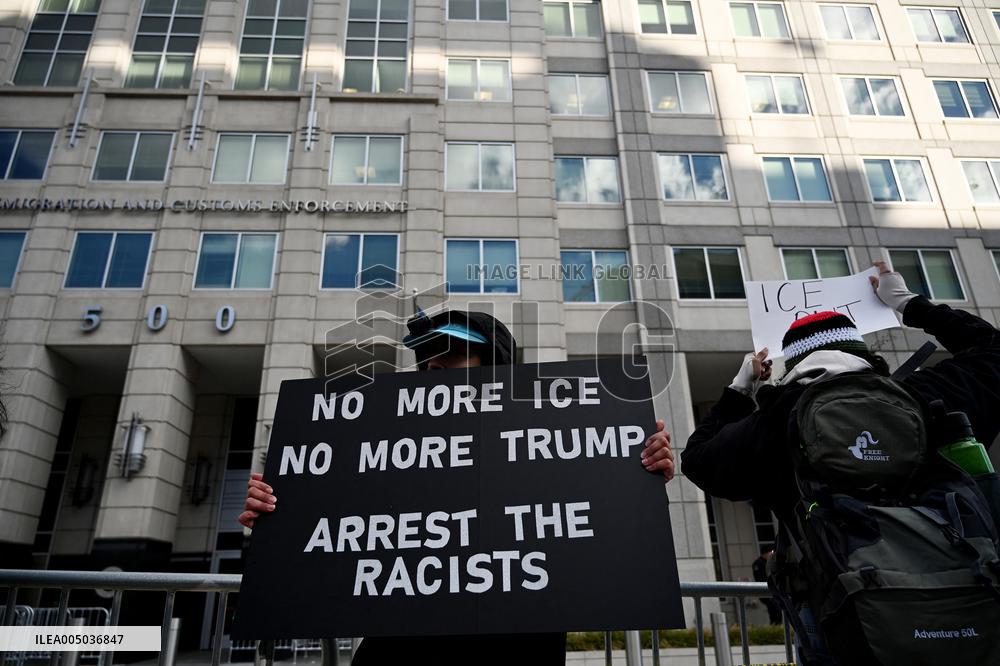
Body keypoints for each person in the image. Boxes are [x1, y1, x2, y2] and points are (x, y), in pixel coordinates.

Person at [239, 308, 677, 665]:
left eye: (452, 355)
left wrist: (635, 466)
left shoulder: (553, 445)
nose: (433, 366)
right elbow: (326, 538)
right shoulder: (378, 447)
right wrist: (280, 515)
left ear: (495, 368)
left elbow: (605, 524)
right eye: (427, 360)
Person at [681, 260, 1000, 662]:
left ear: (794, 366)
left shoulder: (777, 421)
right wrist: (906, 303)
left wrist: (740, 387)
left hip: (843, 621)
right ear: (863, 353)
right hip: (968, 606)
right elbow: (992, 350)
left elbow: (697, 459)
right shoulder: (927, 396)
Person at [751, 546, 781, 624]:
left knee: (777, 611)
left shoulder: (768, 562)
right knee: (775, 611)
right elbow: (761, 578)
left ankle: (776, 625)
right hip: (766, 590)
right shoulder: (758, 563)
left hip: (771, 590)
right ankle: (775, 625)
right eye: (770, 553)